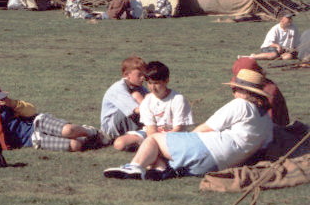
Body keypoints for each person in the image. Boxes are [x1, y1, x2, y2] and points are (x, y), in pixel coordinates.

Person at [103, 68, 273, 181]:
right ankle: (161, 170)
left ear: (244, 91)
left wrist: (182, 139)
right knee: (164, 146)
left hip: (210, 150)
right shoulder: (265, 118)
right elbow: (264, 147)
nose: (233, 92)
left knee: (154, 139)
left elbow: (205, 129)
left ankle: (135, 166)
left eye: (235, 89)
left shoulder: (240, 105)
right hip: (221, 164)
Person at [0, 82, 108, 152]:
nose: (1, 101)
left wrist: (12, 103)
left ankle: (95, 133)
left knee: (68, 131)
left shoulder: (7, 104)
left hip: (37, 123)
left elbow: (31, 111)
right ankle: (90, 139)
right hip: (33, 139)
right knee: (75, 145)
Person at [136, 61, 193, 142]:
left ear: (166, 81)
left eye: (156, 83)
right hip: (153, 135)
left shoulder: (178, 99)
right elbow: (151, 130)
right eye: (149, 83)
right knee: (120, 143)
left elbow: (178, 129)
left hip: (174, 135)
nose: (153, 87)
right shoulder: (147, 101)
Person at [101, 57, 148, 150]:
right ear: (127, 75)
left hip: (125, 122)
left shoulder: (139, 87)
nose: (143, 78)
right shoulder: (118, 88)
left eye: (144, 75)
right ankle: (147, 133)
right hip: (111, 128)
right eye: (139, 75)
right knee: (137, 101)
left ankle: (140, 136)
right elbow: (136, 110)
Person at [230, 57, 289, 126]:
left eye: (238, 89)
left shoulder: (268, 90)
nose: (235, 93)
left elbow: (269, 120)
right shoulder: (262, 85)